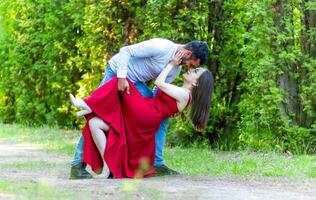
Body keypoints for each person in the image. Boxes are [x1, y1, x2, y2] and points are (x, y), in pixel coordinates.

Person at [69, 38, 209, 179]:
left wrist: (168, 109)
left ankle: (156, 162)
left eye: (193, 68)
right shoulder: (162, 47)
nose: (189, 68)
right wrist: (122, 77)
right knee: (96, 115)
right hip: (117, 71)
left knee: (161, 120)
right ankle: (77, 164)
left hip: (135, 83)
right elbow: (126, 51)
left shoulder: (176, 68)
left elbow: (158, 90)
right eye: (191, 64)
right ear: (188, 53)